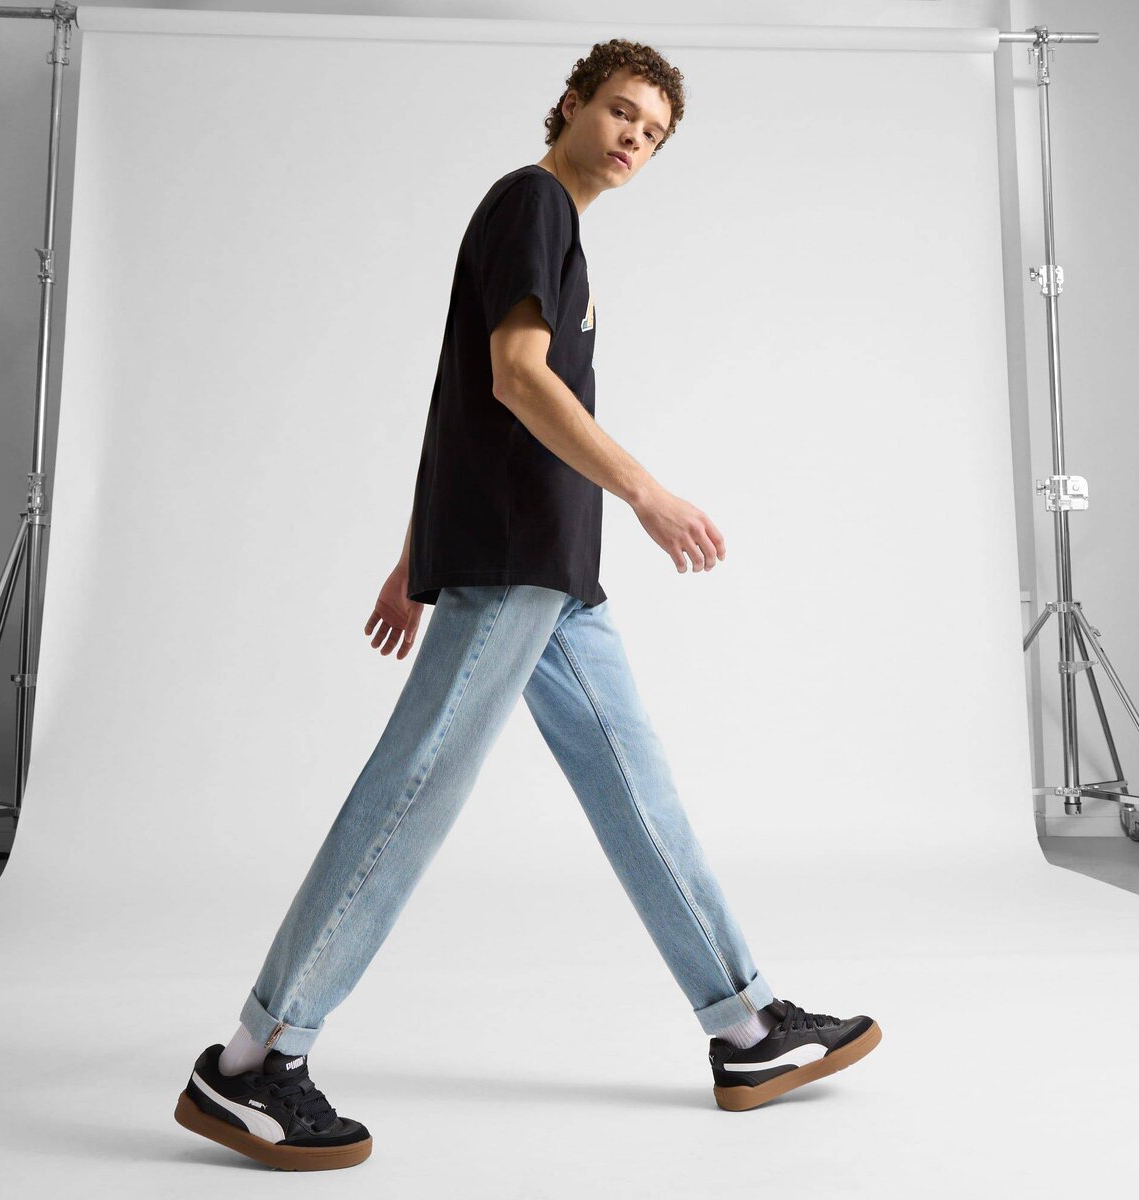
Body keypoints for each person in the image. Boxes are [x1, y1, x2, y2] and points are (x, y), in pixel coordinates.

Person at [174, 38, 880, 1173]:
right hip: (514, 562)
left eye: (654, 132)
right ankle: (253, 1061)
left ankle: (747, 1029)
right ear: (573, 104)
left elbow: (458, 397)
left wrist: (413, 555)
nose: (633, 137)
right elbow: (509, 376)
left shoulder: (557, 230)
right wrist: (645, 492)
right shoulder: (533, 202)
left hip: (554, 577)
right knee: (415, 789)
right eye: (621, 110)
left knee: (635, 789)